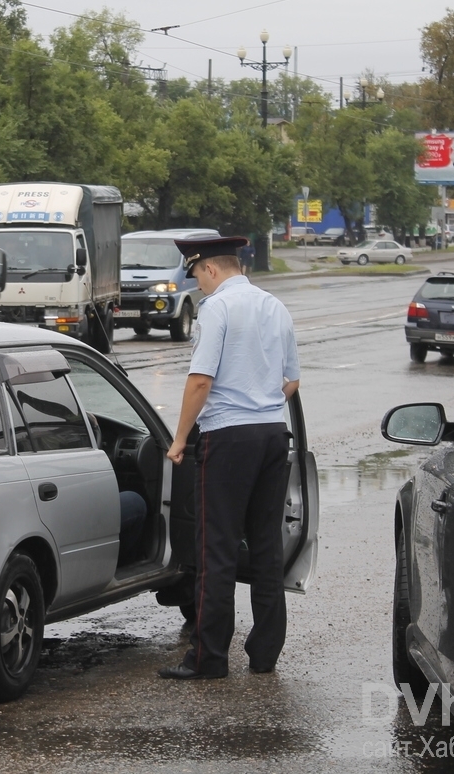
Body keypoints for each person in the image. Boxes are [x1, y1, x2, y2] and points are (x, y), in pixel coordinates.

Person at [157, 235, 300, 680]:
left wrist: (180, 439)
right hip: (275, 436)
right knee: (265, 548)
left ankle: (208, 658)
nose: (199, 285)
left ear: (211, 269)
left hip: (228, 439)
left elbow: (200, 380)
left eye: (198, 275)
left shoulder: (217, 308)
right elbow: (291, 382)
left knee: (215, 550)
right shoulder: (276, 306)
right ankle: (264, 655)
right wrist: (260, 399)